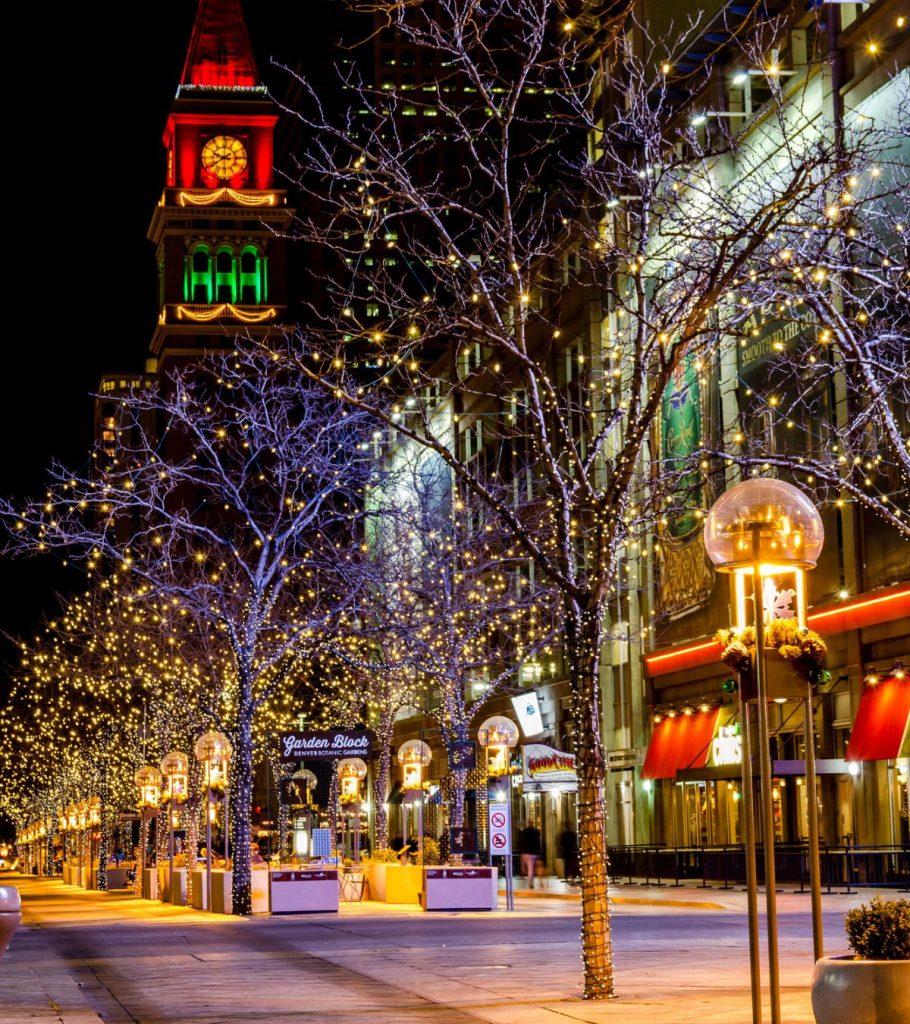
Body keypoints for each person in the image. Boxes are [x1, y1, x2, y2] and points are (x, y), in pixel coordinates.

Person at [517, 822, 542, 888]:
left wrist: (520, 850)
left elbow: (520, 841)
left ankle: (523, 872)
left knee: (525, 865)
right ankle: (530, 880)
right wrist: (538, 851)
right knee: (531, 868)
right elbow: (538, 842)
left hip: (525, 852)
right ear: (533, 823)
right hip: (532, 853)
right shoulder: (536, 832)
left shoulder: (524, 831)